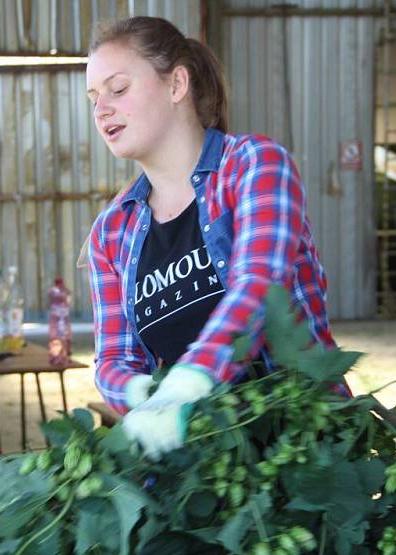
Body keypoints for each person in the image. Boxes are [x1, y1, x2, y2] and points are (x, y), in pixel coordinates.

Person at [85, 17, 341, 461]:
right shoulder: (110, 233)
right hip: (200, 474)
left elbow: (260, 288)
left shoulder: (254, 167)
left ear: (176, 84)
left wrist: (189, 381)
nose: (101, 110)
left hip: (307, 454)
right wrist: (141, 392)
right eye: (94, 99)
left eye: (118, 89)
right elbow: (112, 358)